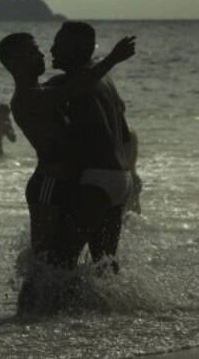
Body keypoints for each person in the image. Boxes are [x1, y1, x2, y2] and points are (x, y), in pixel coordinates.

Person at [0, 31, 135, 312]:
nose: (41, 55)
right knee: (47, 262)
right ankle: (25, 320)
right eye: (32, 51)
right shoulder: (27, 98)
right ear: (14, 62)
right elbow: (73, 89)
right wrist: (111, 60)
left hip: (71, 183)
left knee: (82, 261)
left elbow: (79, 84)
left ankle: (86, 316)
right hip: (50, 184)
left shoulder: (48, 88)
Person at [48, 21, 136, 275]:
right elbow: (125, 132)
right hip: (121, 180)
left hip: (97, 180)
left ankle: (44, 314)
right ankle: (118, 310)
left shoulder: (72, 82)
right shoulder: (106, 82)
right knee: (104, 263)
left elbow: (42, 97)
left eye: (58, 45)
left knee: (61, 258)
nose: (52, 50)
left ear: (75, 50)